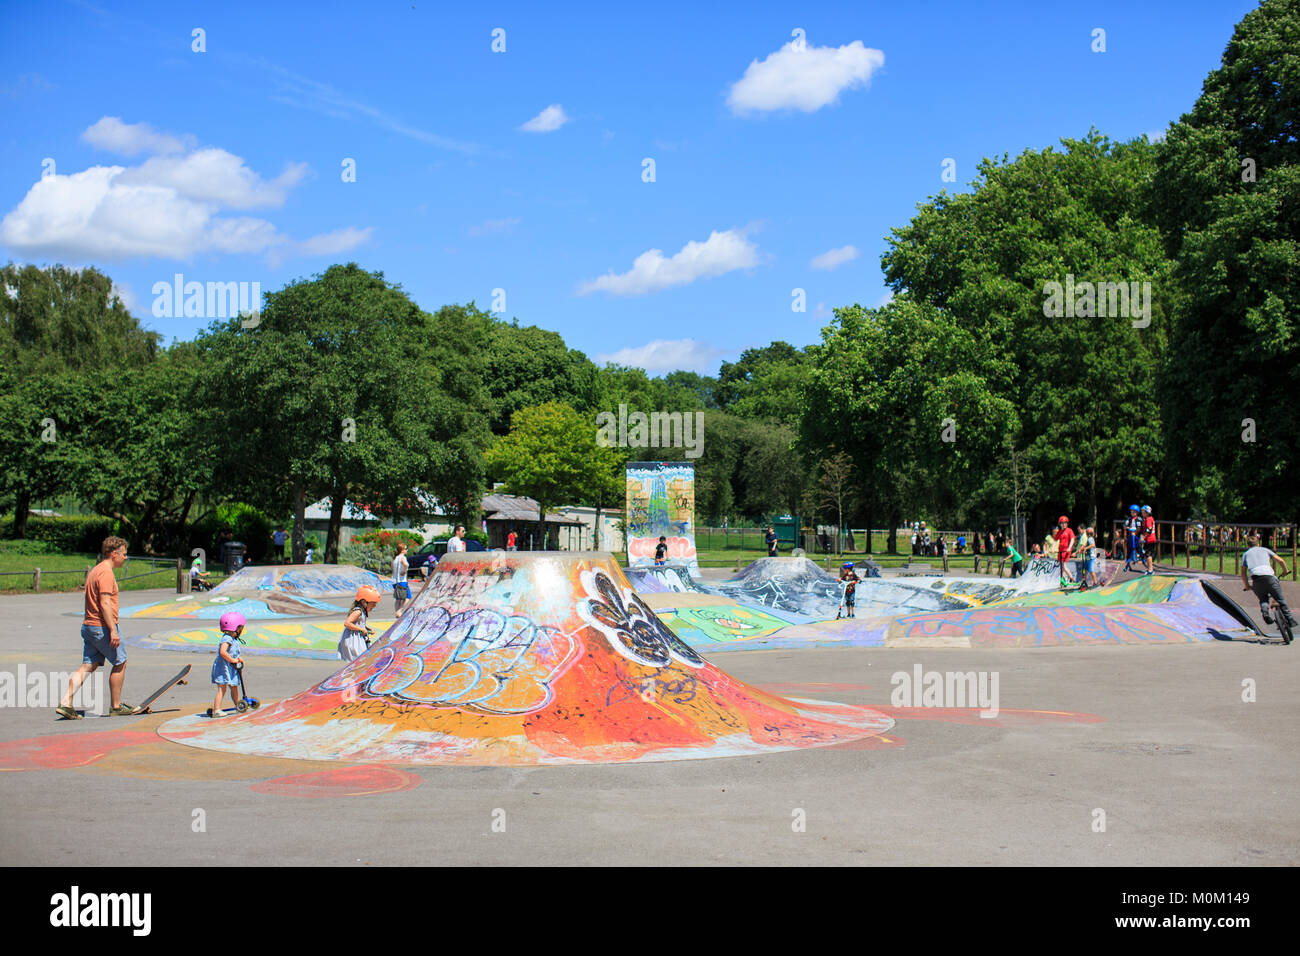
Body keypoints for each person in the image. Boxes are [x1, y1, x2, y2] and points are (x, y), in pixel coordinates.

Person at [56, 536, 139, 719]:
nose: (125, 558)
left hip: (88, 626)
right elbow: (105, 603)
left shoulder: (95, 570)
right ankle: (116, 706)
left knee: (88, 665)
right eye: (123, 554)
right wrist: (113, 630)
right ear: (113, 553)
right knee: (120, 662)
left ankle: (65, 702)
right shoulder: (106, 573)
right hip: (101, 627)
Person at [1240, 533, 1296, 631]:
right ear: (1258, 544)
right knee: (1280, 599)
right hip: (1270, 577)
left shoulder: (1245, 554)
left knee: (1263, 598)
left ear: (1248, 545)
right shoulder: (1265, 550)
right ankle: (1290, 619)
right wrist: (1285, 571)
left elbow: (1243, 573)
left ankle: (1265, 613)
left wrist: (1247, 585)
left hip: (1256, 579)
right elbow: (1281, 561)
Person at [209, 611, 248, 718]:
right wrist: (232, 660)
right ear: (236, 627)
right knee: (222, 688)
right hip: (224, 668)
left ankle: (238, 705)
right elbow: (223, 652)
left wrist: (237, 658)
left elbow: (233, 652)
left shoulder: (232, 639)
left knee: (234, 687)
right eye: (241, 627)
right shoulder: (227, 639)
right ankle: (216, 710)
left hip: (231, 668)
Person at [338, 586, 381, 662]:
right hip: (353, 640)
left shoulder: (363, 612)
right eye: (373, 603)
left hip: (359, 638)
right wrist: (361, 629)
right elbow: (347, 623)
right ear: (364, 602)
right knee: (361, 658)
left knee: (364, 657)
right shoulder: (358, 611)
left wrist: (368, 629)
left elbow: (359, 624)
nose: (374, 606)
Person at [1053, 516, 1076, 585]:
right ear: (1060, 524)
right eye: (1062, 523)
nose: (1064, 524)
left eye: (1065, 523)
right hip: (1060, 551)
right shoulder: (1059, 532)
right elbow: (1055, 540)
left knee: (1063, 565)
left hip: (1066, 551)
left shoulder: (1069, 530)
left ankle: (1072, 578)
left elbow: (1072, 539)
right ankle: (1063, 580)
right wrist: (1053, 548)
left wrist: (1069, 547)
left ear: (1067, 524)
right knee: (1061, 567)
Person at [1074, 524, 1096, 590]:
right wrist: (1084, 550)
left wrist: (1086, 548)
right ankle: (1084, 582)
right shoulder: (1088, 539)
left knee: (1091, 570)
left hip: (1091, 557)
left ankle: (1095, 582)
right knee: (1085, 570)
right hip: (1088, 556)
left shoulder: (1090, 539)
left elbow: (1093, 545)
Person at [392, 542, 410, 617]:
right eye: (406, 549)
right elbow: (406, 564)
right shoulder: (402, 557)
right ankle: (400, 611)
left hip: (395, 581)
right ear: (402, 550)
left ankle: (397, 611)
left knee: (398, 598)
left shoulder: (395, 558)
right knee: (407, 597)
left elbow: (392, 568)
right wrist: (404, 571)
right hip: (402, 581)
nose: (407, 550)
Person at [1123, 504, 1141, 571]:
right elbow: (1125, 526)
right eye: (1131, 511)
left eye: (1134, 512)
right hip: (1130, 535)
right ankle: (1128, 563)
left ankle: (1138, 557)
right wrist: (1126, 534)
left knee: (1137, 547)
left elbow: (1139, 528)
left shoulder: (1139, 519)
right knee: (1129, 548)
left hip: (1136, 536)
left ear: (1137, 513)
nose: (1132, 513)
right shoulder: (1129, 519)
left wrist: (1135, 532)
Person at [1140, 505, 1157, 575]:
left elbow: (1149, 529)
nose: (1142, 513)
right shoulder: (1148, 519)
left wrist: (1143, 537)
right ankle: (1150, 569)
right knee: (1147, 553)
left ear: (1147, 512)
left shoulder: (1148, 519)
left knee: (1148, 554)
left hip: (1150, 539)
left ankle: (1150, 570)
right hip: (1149, 539)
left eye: (1143, 512)